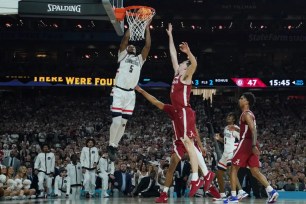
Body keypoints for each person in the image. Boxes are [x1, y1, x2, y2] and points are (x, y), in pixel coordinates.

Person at [135, 85, 214, 202]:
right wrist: (141, 91)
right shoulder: (173, 109)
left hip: (191, 141)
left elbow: (195, 129)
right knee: (172, 166)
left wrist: (201, 146)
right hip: (180, 142)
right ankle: (164, 193)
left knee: (201, 167)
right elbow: (156, 102)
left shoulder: (191, 111)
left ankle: (211, 189)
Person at [107, 21, 152, 162]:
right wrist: (131, 28)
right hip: (119, 92)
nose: (131, 46)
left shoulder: (140, 60)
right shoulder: (122, 55)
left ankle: (114, 145)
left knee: (123, 123)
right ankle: (110, 144)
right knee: (116, 121)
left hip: (130, 94)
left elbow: (148, 46)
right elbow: (125, 40)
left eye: (133, 46)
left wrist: (146, 29)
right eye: (129, 46)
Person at [224, 92, 279, 203]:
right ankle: (271, 191)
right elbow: (248, 131)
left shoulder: (246, 114)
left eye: (242, 98)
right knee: (254, 171)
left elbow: (253, 130)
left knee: (233, 168)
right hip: (250, 142)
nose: (239, 100)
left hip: (246, 143)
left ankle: (234, 196)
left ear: (247, 101)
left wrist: (253, 145)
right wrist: (236, 130)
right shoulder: (249, 114)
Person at [213, 113, 248, 201]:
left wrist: (236, 148)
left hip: (232, 152)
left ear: (233, 119)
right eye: (227, 116)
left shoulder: (235, 128)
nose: (228, 117)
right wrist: (219, 139)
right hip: (225, 153)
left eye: (230, 116)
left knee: (231, 171)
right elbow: (226, 142)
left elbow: (243, 137)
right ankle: (222, 195)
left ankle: (240, 191)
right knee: (218, 173)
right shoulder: (225, 128)